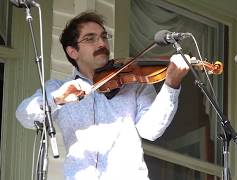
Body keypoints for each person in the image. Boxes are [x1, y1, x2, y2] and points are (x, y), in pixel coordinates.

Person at [16, 11, 189, 180]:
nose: (102, 44)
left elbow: (151, 130)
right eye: (90, 39)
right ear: (72, 52)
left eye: (104, 37)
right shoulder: (59, 88)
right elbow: (24, 115)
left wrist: (171, 85)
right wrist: (57, 99)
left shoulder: (133, 82)